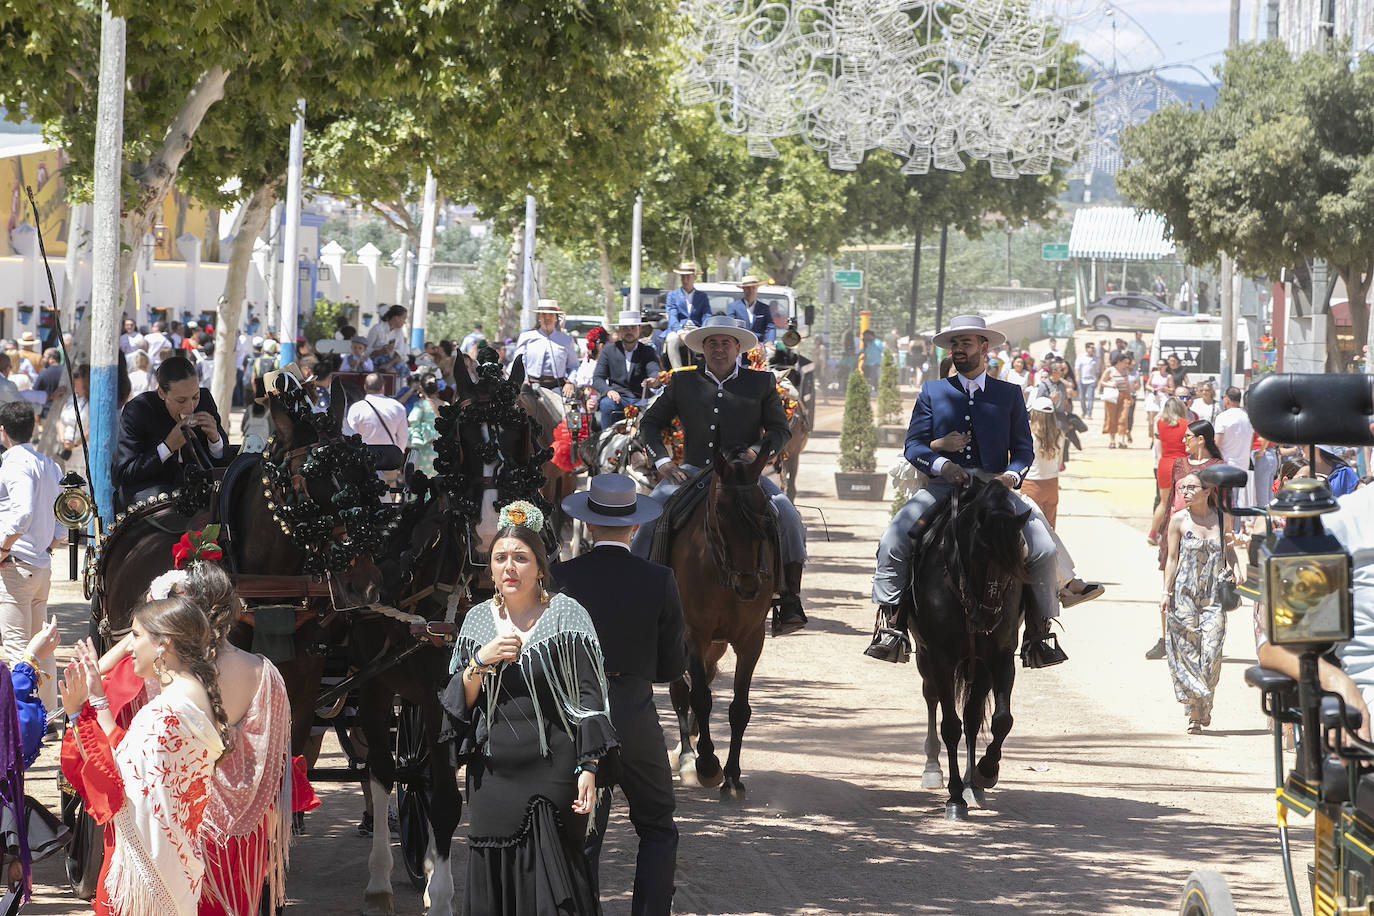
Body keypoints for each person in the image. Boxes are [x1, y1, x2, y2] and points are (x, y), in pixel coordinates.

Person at [867, 315, 1101, 666]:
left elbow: (1023, 450)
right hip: (943, 486)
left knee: (1043, 547)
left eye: (966, 343)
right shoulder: (932, 392)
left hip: (995, 488)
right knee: (893, 540)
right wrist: (942, 464)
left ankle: (1039, 633)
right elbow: (913, 446)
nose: (958, 349)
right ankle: (892, 625)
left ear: (984, 347)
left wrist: (1010, 476)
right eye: (954, 344)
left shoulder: (1009, 394)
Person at [439, 502, 617, 916]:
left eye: (520, 557)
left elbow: (591, 697)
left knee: (555, 891)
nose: (509, 567)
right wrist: (480, 661)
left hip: (554, 771)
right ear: (490, 569)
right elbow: (459, 702)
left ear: (540, 567)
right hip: (492, 774)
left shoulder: (566, 615)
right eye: (500, 558)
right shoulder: (477, 621)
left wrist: (589, 767)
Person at [556, 476, 685, 916]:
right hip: (633, 711)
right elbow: (671, 668)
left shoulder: (562, 578)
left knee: (580, 833)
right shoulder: (660, 579)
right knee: (658, 825)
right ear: (634, 526)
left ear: (589, 525)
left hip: (575, 715)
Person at [633, 315, 808, 635]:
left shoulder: (761, 382)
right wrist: (663, 462)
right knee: (650, 518)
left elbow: (780, 430)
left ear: (738, 347)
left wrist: (757, 451)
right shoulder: (683, 381)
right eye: (712, 342)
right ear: (703, 348)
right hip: (691, 472)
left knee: (788, 516)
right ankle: (639, 594)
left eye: (725, 342)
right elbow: (649, 423)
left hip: (745, 477)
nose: (718, 348)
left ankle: (790, 599)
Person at [59, 596, 229, 916]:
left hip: (149, 876)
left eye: (135, 636)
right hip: (176, 866)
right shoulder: (188, 691)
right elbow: (128, 752)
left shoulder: (166, 711)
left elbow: (115, 778)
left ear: (164, 643)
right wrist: (97, 697)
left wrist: (76, 715)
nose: (129, 648)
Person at [1160, 473, 1237, 734]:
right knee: (1187, 654)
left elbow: (1229, 548)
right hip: (1184, 594)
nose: (1185, 491)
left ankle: (1205, 701)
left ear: (1207, 490)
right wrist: (1165, 592)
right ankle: (1194, 713)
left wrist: (1237, 568)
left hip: (1213, 596)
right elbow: (1172, 559)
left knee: (1212, 655)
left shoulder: (1223, 518)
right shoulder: (1178, 520)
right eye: (1182, 487)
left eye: (1191, 487)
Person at [0, 401, 63, 708]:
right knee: (42, 647)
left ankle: (21, 719)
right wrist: (47, 547)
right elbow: (63, 524)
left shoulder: (13, 463)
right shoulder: (51, 465)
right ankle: (46, 715)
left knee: (17, 648)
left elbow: (22, 514)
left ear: (2, 431)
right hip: (41, 564)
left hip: (15, 564)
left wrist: (3, 548)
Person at [111, 355, 229, 509]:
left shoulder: (205, 401)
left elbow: (224, 463)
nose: (190, 408)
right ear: (161, 393)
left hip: (199, 497)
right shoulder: (139, 410)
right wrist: (167, 447)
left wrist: (215, 440)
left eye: (195, 397)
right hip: (154, 502)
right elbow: (122, 475)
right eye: (181, 400)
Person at [594, 310, 661, 431]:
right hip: (618, 398)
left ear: (640, 329)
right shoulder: (609, 350)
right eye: (625, 328)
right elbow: (598, 378)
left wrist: (653, 380)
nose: (629, 331)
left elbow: (654, 370)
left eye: (633, 328)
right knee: (606, 404)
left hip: (641, 399)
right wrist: (608, 391)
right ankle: (605, 439)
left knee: (659, 405)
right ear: (619, 330)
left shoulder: (647, 351)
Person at [512, 300, 579, 398]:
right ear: (539, 317)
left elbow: (573, 366)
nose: (547, 318)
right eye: (543, 315)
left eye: (551, 315)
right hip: (530, 386)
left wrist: (570, 382)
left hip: (558, 387)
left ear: (556, 318)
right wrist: (524, 380)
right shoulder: (526, 337)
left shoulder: (566, 340)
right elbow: (518, 362)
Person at [1149, 396, 1192, 546]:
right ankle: (1175, 535)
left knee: (1163, 502)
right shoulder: (1187, 425)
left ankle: (1153, 532)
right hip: (1181, 465)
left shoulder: (1160, 423)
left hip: (1164, 464)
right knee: (1182, 503)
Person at [1022, 396, 1063, 527]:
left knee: (1031, 529)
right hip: (1052, 483)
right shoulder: (1060, 435)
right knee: (1050, 528)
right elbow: (1059, 462)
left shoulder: (1029, 436)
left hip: (1031, 483)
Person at [663, 262, 709, 370]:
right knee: (672, 339)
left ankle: (705, 370)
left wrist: (703, 329)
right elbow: (672, 316)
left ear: (694, 277)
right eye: (683, 276)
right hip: (679, 329)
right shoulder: (672, 295)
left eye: (688, 276)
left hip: (696, 328)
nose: (685, 279)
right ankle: (677, 371)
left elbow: (707, 314)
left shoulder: (702, 296)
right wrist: (680, 332)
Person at [346, 373, 407, 451]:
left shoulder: (356, 408)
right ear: (383, 387)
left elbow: (351, 434)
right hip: (390, 455)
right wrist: (398, 453)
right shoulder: (397, 407)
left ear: (365, 387)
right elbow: (403, 437)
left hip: (365, 454)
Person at [407, 373, 441, 478]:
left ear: (421, 388)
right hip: (443, 451)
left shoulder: (421, 405)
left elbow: (412, 421)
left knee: (423, 482)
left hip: (425, 450)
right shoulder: (446, 405)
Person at [1097, 351, 1133, 448]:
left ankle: (1121, 440)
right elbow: (1102, 382)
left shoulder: (1126, 371)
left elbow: (1127, 384)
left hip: (1124, 395)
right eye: (1125, 362)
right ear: (1119, 361)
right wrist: (1111, 385)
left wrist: (1130, 396)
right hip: (1112, 395)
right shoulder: (1110, 370)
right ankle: (1112, 441)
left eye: (1128, 363)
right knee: (1111, 417)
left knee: (1123, 418)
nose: (1127, 365)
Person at [59, 363, 90, 476]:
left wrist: (76, 444)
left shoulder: (92, 402)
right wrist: (62, 439)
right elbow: (61, 421)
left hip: (82, 452)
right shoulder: (71, 398)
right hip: (68, 451)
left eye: (77, 376)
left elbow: (92, 430)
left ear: (85, 379)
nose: (73, 379)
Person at [366, 305, 409, 375]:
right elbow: (365, 350)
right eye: (404, 318)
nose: (404, 322)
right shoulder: (377, 329)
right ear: (396, 318)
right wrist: (380, 351)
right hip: (375, 364)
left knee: (403, 368)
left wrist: (388, 365)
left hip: (391, 364)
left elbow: (400, 352)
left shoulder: (399, 332)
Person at [1074, 342, 1099, 419]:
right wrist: (1077, 377)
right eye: (1091, 347)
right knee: (1082, 398)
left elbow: (1097, 370)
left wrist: (1097, 380)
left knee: (1090, 398)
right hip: (1082, 380)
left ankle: (1089, 413)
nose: (1093, 349)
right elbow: (1077, 368)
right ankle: (1084, 411)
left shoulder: (1096, 358)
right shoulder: (1081, 357)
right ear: (1087, 348)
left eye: (1093, 348)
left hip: (1091, 381)